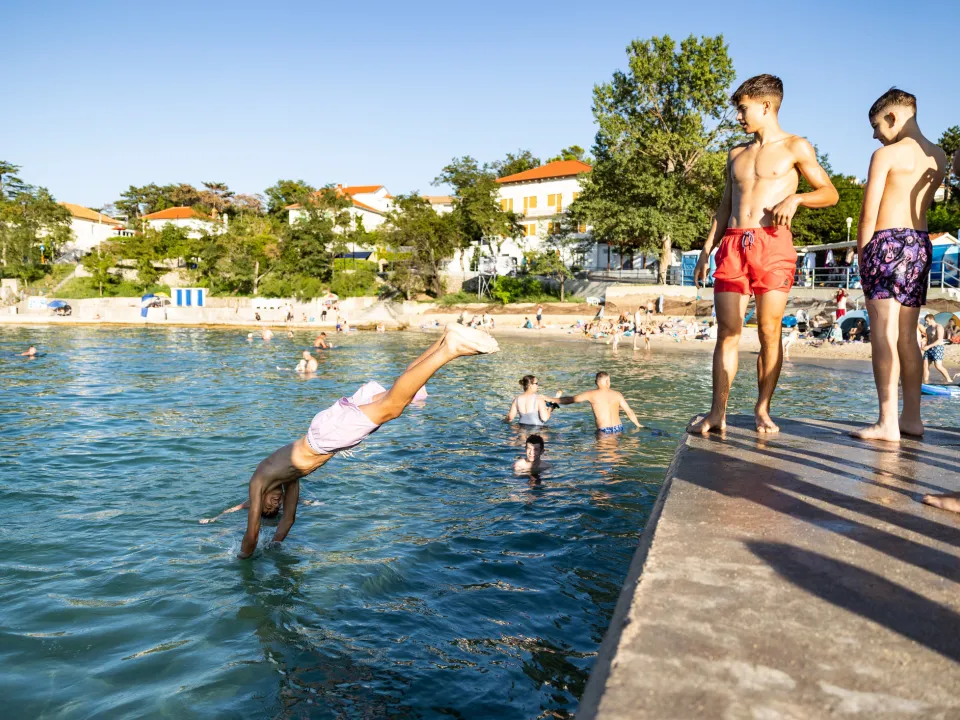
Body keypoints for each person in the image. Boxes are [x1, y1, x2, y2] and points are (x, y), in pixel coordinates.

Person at [234, 324, 499, 558]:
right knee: (397, 396)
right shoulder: (287, 478)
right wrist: (275, 546)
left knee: (392, 406)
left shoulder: (258, 480)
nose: (274, 503)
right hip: (325, 429)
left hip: (325, 437)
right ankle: (444, 339)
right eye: (274, 505)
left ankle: (449, 349)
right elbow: (289, 519)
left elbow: (252, 533)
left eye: (270, 502)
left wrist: (243, 559)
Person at [690, 74, 839, 435]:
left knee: (769, 332)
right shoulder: (735, 153)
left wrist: (797, 198)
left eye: (743, 109)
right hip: (733, 246)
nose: (739, 117)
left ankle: (762, 409)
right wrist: (706, 249)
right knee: (727, 332)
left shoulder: (796, 147)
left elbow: (830, 193)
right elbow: (725, 206)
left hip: (772, 243)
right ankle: (717, 412)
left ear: (766, 105)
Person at [851, 89, 947, 442]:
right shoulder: (938, 157)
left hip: (886, 243)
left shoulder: (885, 155)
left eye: (877, 125)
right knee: (908, 336)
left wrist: (863, 254)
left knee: (883, 333)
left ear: (891, 117)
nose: (875, 134)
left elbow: (868, 213)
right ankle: (912, 419)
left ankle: (886, 421)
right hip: (920, 245)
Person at [921, 148, 960, 511]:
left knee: (936, 367)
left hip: (937, 348)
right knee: (934, 368)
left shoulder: (934, 328)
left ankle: (948, 381)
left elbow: (937, 338)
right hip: (936, 347)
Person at [557, 371, 643, 433]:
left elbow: (570, 400)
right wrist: (638, 425)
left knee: (602, 456)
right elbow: (629, 411)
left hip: (604, 431)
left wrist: (551, 399)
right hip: (618, 428)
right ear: (608, 382)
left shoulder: (591, 394)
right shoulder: (617, 394)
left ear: (595, 382)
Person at [200, 486, 323, 524]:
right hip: (261, 518)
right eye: (274, 495)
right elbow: (233, 509)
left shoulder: (284, 496)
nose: (278, 497)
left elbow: (299, 500)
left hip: (278, 518)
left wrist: (312, 503)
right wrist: (214, 518)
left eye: (279, 494)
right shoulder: (256, 501)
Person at [920, 314, 953, 384]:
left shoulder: (939, 327)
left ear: (932, 319)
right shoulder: (928, 328)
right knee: (925, 365)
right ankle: (925, 382)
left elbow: (939, 340)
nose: (926, 322)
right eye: (925, 321)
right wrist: (924, 341)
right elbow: (928, 338)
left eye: (927, 320)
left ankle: (949, 379)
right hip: (928, 348)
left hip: (937, 348)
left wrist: (928, 346)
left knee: (938, 366)